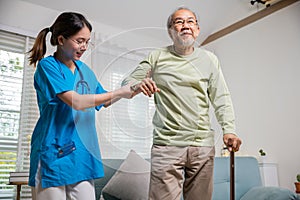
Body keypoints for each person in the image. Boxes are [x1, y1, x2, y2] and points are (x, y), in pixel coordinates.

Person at [122, 7, 242, 200]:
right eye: (179, 22)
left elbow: (221, 97)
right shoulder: (156, 57)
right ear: (171, 31)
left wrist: (229, 129)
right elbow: (127, 82)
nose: (185, 25)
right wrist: (139, 83)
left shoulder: (210, 60)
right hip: (167, 145)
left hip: (202, 146)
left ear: (197, 29)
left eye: (190, 21)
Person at [28, 12, 133, 200]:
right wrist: (120, 92)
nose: (84, 47)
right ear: (61, 39)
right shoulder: (48, 66)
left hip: (82, 155)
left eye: (87, 41)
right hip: (54, 153)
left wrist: (133, 88)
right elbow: (75, 101)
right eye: (79, 41)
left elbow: (105, 100)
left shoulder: (85, 71)